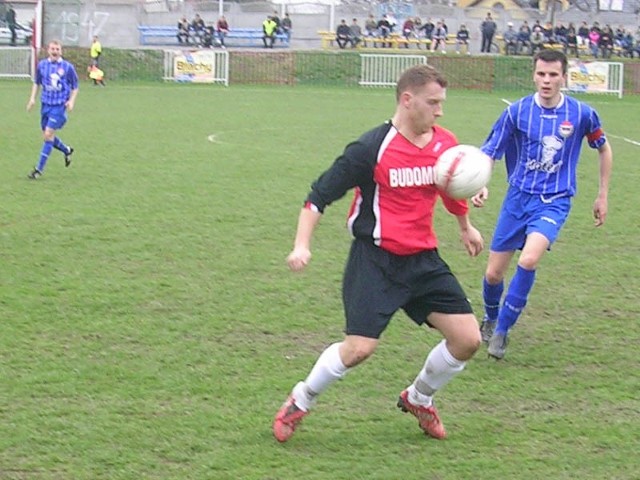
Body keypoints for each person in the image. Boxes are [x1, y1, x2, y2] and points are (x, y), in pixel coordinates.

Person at [272, 64, 485, 443]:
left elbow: (448, 189)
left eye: (441, 103)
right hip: (375, 261)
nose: (439, 111)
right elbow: (318, 196)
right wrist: (301, 244)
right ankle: (299, 400)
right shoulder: (370, 149)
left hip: (423, 260)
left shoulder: (444, 144)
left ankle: (419, 398)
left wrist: (465, 226)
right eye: (433, 103)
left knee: (468, 339)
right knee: (358, 350)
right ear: (407, 100)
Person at [472, 50, 613, 360]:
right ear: (534, 75)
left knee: (529, 260)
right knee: (494, 274)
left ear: (564, 77)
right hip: (517, 199)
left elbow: (604, 150)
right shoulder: (517, 112)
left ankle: (502, 332)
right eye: (541, 74)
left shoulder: (581, 113)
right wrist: (481, 183)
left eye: (553, 75)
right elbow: (491, 152)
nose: (547, 80)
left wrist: (602, 195)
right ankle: (491, 317)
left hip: (555, 201)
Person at [26, 40, 78, 180]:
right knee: (48, 136)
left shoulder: (67, 67)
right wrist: (32, 99)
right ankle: (66, 150)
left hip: (59, 106)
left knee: (48, 134)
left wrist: (71, 101)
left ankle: (38, 170)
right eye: (52, 49)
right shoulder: (42, 65)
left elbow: (75, 86)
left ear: (61, 51)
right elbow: (37, 83)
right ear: (48, 50)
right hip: (45, 105)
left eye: (57, 49)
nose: (55, 51)